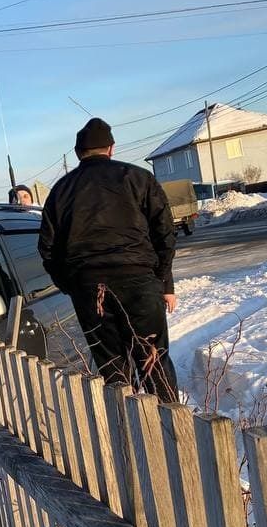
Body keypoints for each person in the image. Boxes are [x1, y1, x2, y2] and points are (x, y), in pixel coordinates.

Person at [38, 116, 181, 401]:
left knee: (113, 369)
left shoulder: (61, 191)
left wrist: (74, 286)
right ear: (112, 148)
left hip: (91, 290)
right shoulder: (138, 178)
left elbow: (48, 250)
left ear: (79, 154)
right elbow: (164, 234)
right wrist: (163, 281)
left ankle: (128, 432)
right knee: (154, 361)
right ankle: (171, 432)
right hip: (140, 282)